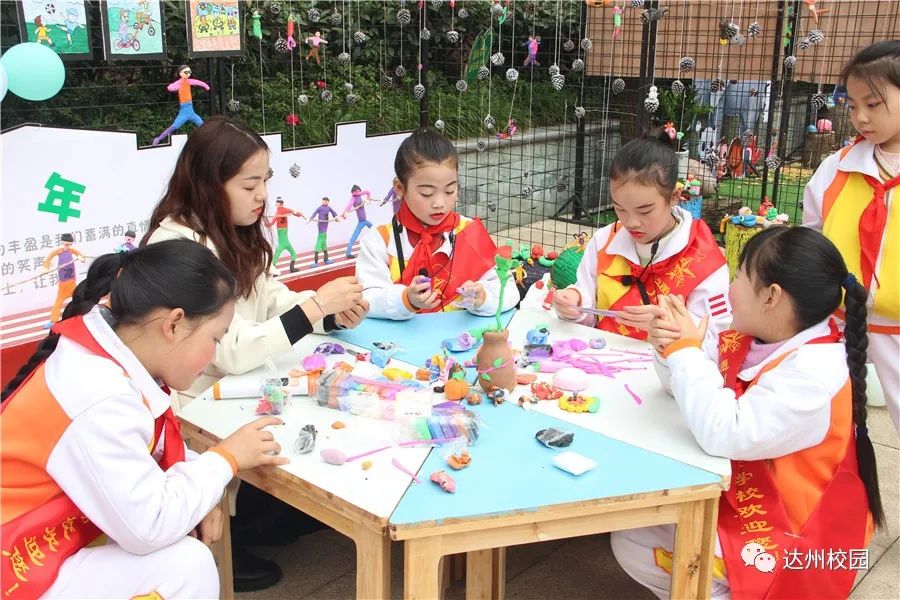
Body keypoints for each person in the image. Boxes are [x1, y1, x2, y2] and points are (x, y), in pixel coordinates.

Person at [143, 116, 367, 591]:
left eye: (266, 179)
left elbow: (270, 297)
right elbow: (234, 350)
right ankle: (227, 542)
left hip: (233, 387)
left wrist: (331, 314)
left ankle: (256, 523)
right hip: (193, 402)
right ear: (209, 184)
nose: (262, 193)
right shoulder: (177, 245)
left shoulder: (230, 228)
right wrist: (316, 305)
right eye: (250, 183)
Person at [1, 239, 288, 600]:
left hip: (50, 534)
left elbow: (150, 457)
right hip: (18, 558)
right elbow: (148, 525)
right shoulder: (99, 394)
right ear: (175, 324)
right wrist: (226, 460)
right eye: (215, 338)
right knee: (185, 566)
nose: (215, 353)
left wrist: (208, 489)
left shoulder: (108, 357)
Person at [612, 226, 883, 599]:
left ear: (771, 296)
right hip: (754, 496)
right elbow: (686, 388)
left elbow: (725, 431)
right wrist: (668, 347)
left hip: (797, 536)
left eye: (739, 275)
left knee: (636, 541)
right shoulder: (764, 334)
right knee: (635, 529)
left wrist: (685, 351)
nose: (730, 287)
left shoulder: (814, 373)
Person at [803, 40, 900, 433]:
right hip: (839, 323)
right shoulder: (835, 170)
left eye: (873, 104)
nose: (860, 117)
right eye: (853, 105)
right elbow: (812, 240)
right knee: (823, 426)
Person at [552, 129, 730, 343]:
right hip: (602, 364)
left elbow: (718, 339)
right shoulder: (603, 242)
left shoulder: (705, 260)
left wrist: (669, 326)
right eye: (619, 209)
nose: (631, 222)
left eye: (645, 211)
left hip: (669, 371)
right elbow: (590, 312)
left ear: (674, 196)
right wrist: (575, 304)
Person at [356, 128, 520, 319]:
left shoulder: (467, 231)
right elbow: (367, 298)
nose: (440, 203)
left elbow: (507, 290)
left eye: (450, 191)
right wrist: (405, 299)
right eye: (427, 193)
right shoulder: (380, 240)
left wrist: (483, 297)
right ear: (400, 187)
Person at [152, 65, 210, 146]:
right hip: (183, 112)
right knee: (174, 127)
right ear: (180, 73)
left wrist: (206, 86)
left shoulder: (189, 81)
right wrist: (176, 87)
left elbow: (198, 82)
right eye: (186, 72)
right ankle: (159, 138)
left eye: (189, 72)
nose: (188, 74)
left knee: (202, 125)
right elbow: (170, 88)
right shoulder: (179, 82)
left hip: (191, 112)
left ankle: (209, 140)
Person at [43, 233, 86, 327]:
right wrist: (46, 268)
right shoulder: (58, 251)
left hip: (72, 283)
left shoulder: (72, 251)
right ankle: (53, 321)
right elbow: (49, 258)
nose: (68, 246)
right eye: (67, 244)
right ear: (62, 243)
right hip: (63, 285)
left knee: (79, 300)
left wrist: (81, 258)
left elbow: (82, 257)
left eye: (70, 244)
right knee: (58, 303)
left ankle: (83, 315)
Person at [268, 197, 305, 272]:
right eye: (276, 202)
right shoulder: (279, 212)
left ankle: (290, 268)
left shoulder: (280, 212)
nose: (276, 203)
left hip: (284, 237)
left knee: (290, 254)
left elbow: (271, 223)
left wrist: (301, 215)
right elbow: (295, 213)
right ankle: (273, 270)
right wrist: (299, 214)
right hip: (283, 238)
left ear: (280, 204)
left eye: (277, 202)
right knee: (291, 254)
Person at [342, 184, 373, 258]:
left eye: (359, 191)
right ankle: (348, 253)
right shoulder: (353, 198)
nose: (358, 192)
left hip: (365, 221)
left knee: (375, 229)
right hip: (361, 221)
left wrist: (368, 198)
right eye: (356, 191)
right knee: (354, 237)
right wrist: (344, 213)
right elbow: (349, 206)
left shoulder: (359, 196)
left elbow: (368, 192)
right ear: (353, 192)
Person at [309, 196, 338, 265]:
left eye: (326, 201)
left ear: (328, 202)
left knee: (324, 245)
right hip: (321, 224)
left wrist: (336, 217)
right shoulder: (320, 208)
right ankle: (316, 262)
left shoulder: (328, 207)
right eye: (324, 201)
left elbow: (334, 213)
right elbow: (315, 213)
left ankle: (326, 259)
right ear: (322, 201)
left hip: (326, 224)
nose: (325, 202)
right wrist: (311, 218)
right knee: (318, 245)